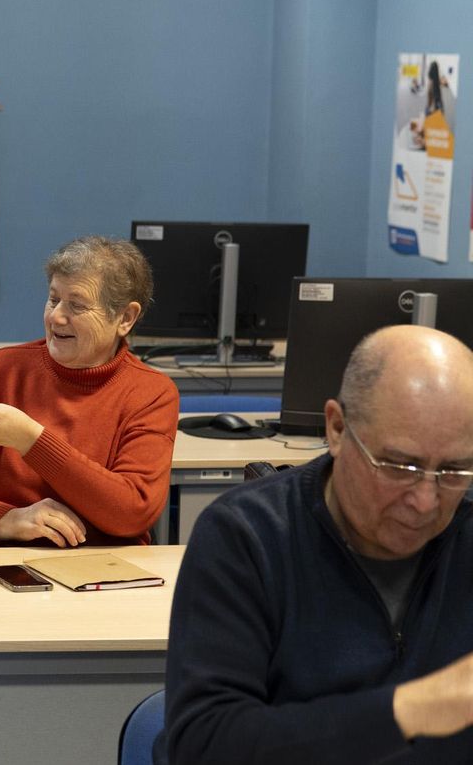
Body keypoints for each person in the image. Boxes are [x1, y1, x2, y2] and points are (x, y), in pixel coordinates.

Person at [164, 325, 473, 763]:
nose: (425, 500)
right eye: (399, 466)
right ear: (337, 428)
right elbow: (205, 745)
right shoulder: (246, 537)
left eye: (455, 471)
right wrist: (413, 709)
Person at [0, 236, 178, 547]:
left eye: (77, 305)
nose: (56, 317)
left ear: (125, 318)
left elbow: (132, 511)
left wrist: (30, 440)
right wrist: (5, 519)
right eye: (53, 300)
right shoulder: (3, 370)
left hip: (100, 573)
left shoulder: (151, 393)